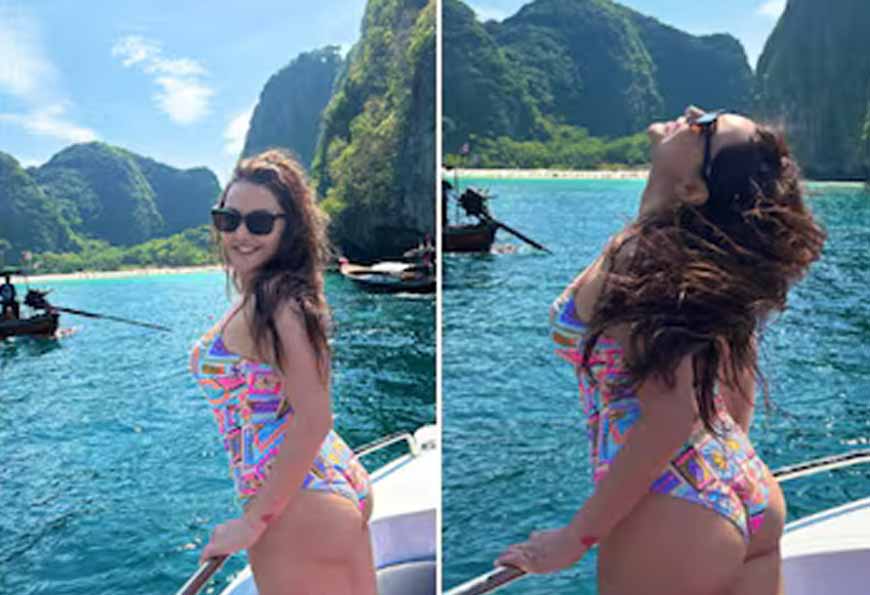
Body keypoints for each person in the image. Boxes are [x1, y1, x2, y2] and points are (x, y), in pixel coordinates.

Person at [497, 107, 826, 594]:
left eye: (706, 125)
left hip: (677, 508)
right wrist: (719, 478)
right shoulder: (693, 261)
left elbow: (671, 414)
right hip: (741, 479)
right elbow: (737, 383)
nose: (691, 113)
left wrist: (573, 538)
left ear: (693, 189)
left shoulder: (642, 259)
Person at [190, 149, 376, 594]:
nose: (240, 234)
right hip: (327, 480)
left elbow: (315, 416)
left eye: (259, 223)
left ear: (288, 228)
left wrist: (253, 521)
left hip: (295, 503)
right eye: (228, 219)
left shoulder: (277, 304)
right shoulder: (283, 296)